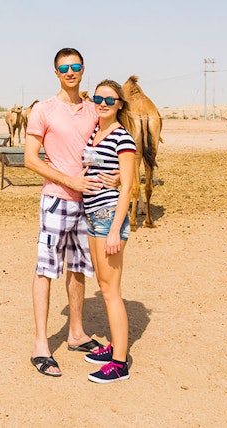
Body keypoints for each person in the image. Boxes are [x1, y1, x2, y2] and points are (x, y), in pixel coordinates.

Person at [24, 48, 116, 377]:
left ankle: (76, 334)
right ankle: (41, 345)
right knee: (46, 270)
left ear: (83, 69)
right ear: (56, 73)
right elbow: (31, 159)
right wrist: (69, 180)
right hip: (56, 200)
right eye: (64, 67)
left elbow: (102, 149)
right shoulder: (43, 110)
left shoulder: (94, 109)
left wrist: (113, 175)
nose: (70, 71)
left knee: (79, 270)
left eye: (75, 66)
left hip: (88, 204)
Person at [80, 79, 136, 383]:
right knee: (103, 287)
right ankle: (115, 345)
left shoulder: (123, 138)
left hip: (108, 219)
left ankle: (119, 363)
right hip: (93, 218)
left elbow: (127, 186)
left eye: (110, 99)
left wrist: (116, 229)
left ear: (119, 104)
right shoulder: (94, 134)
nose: (103, 103)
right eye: (99, 98)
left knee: (112, 291)